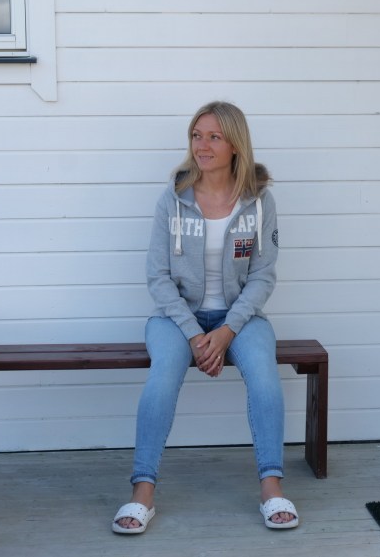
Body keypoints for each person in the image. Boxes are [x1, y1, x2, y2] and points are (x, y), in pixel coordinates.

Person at [112, 101, 299, 534]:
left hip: (241, 318)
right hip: (177, 320)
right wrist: (198, 335)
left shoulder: (258, 201)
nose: (203, 145)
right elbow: (157, 277)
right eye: (197, 135)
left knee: (265, 377)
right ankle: (142, 493)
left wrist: (228, 329)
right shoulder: (173, 200)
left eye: (214, 136)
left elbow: (263, 275)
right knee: (163, 375)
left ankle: (272, 489)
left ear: (236, 144)